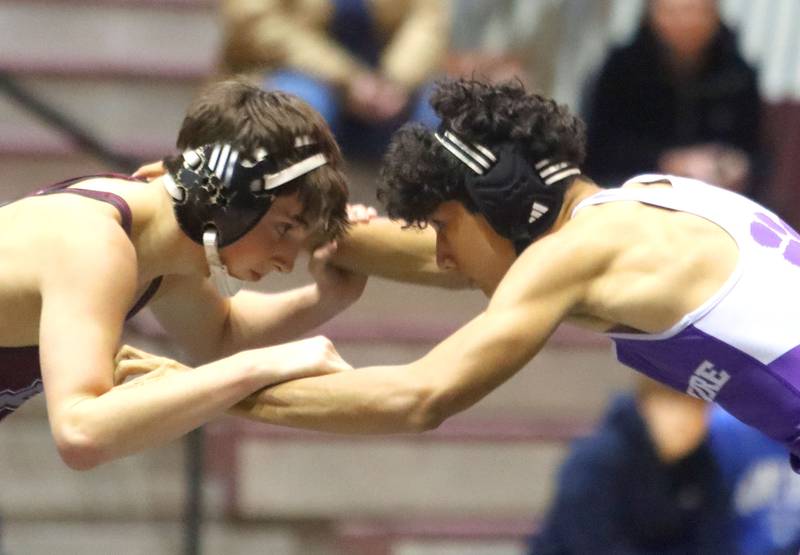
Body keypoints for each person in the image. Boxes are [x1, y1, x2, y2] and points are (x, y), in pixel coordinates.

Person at [117, 77, 800, 474]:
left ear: (502, 201)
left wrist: (200, 392)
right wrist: (264, 216)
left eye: (444, 226)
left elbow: (420, 396)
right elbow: (447, 259)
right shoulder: (647, 205)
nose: (443, 255)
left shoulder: (577, 252)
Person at [0, 78, 365, 470]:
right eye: (285, 229)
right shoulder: (94, 244)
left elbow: (221, 334)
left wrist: (327, 297)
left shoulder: (159, 253)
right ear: (228, 196)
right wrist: (260, 367)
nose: (287, 262)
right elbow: (81, 430)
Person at [528, 378, 735, 555]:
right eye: (671, 406)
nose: (684, 421)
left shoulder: (704, 466)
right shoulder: (596, 460)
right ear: (644, 406)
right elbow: (591, 545)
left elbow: (714, 541)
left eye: (696, 409)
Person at [221, 0, 447, 159]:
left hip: (388, 83)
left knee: (445, 121)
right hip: (295, 71)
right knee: (295, 116)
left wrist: (396, 80)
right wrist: (348, 79)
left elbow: (426, 17)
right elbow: (256, 23)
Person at [583, 0, 763, 195]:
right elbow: (598, 147)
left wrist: (736, 165)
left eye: (694, 11)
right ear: (652, 14)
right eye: (672, 12)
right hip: (628, 193)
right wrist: (667, 161)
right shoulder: (621, 69)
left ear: (715, 14)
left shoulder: (739, 75)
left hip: (713, 198)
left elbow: (755, 152)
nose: (684, 22)